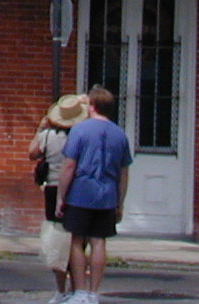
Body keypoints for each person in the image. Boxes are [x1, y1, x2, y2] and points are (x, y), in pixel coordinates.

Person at [56, 84, 132, 304]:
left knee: (77, 241)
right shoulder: (120, 135)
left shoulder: (80, 130)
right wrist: (120, 202)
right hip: (107, 195)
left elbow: (69, 166)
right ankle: (93, 293)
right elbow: (124, 173)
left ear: (92, 106)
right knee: (99, 242)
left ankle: (79, 291)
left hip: (81, 192)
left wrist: (61, 196)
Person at [29, 93, 88, 304]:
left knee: (57, 242)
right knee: (77, 242)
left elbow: (32, 153)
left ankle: (60, 290)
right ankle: (77, 289)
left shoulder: (47, 136)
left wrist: (40, 129)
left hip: (53, 190)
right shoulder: (82, 138)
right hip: (78, 189)